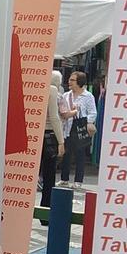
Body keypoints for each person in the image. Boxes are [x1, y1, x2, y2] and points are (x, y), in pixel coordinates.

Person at [62, 70, 96, 184]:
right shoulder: (66, 95)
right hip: (67, 126)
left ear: (79, 82)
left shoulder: (88, 96)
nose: (69, 82)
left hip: (80, 127)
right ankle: (64, 179)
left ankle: (78, 181)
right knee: (66, 154)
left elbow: (93, 112)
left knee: (80, 154)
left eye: (72, 80)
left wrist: (87, 121)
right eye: (69, 79)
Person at [40, 68, 66, 206]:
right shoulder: (52, 90)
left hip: (34, 136)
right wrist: (61, 141)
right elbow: (54, 117)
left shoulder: (36, 87)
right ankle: (45, 208)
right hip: (49, 136)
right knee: (49, 176)